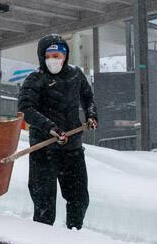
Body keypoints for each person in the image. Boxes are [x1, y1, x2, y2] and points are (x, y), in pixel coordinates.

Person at [17, 34, 98, 230]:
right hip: (43, 150)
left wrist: (92, 115)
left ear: (66, 56)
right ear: (42, 56)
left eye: (59, 55)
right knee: (44, 203)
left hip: (72, 149)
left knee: (79, 199)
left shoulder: (75, 75)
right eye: (50, 55)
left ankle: (73, 235)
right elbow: (26, 109)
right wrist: (49, 127)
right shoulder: (34, 79)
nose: (55, 59)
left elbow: (88, 98)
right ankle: (43, 242)